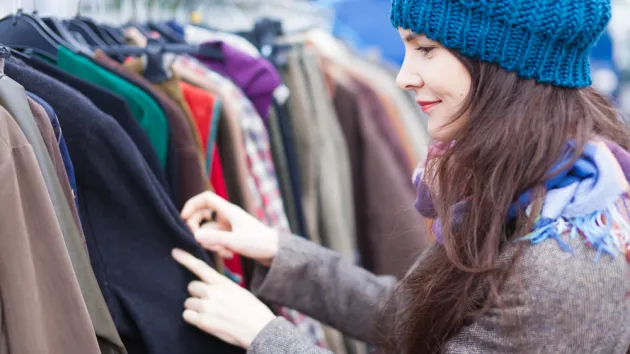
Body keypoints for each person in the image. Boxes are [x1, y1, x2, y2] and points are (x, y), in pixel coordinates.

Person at [171, 0, 630, 352]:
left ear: (502, 62)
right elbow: (422, 319)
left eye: (426, 49)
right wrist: (278, 252)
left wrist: (265, 335)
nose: (403, 76)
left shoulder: (565, 261)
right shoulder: (531, 186)